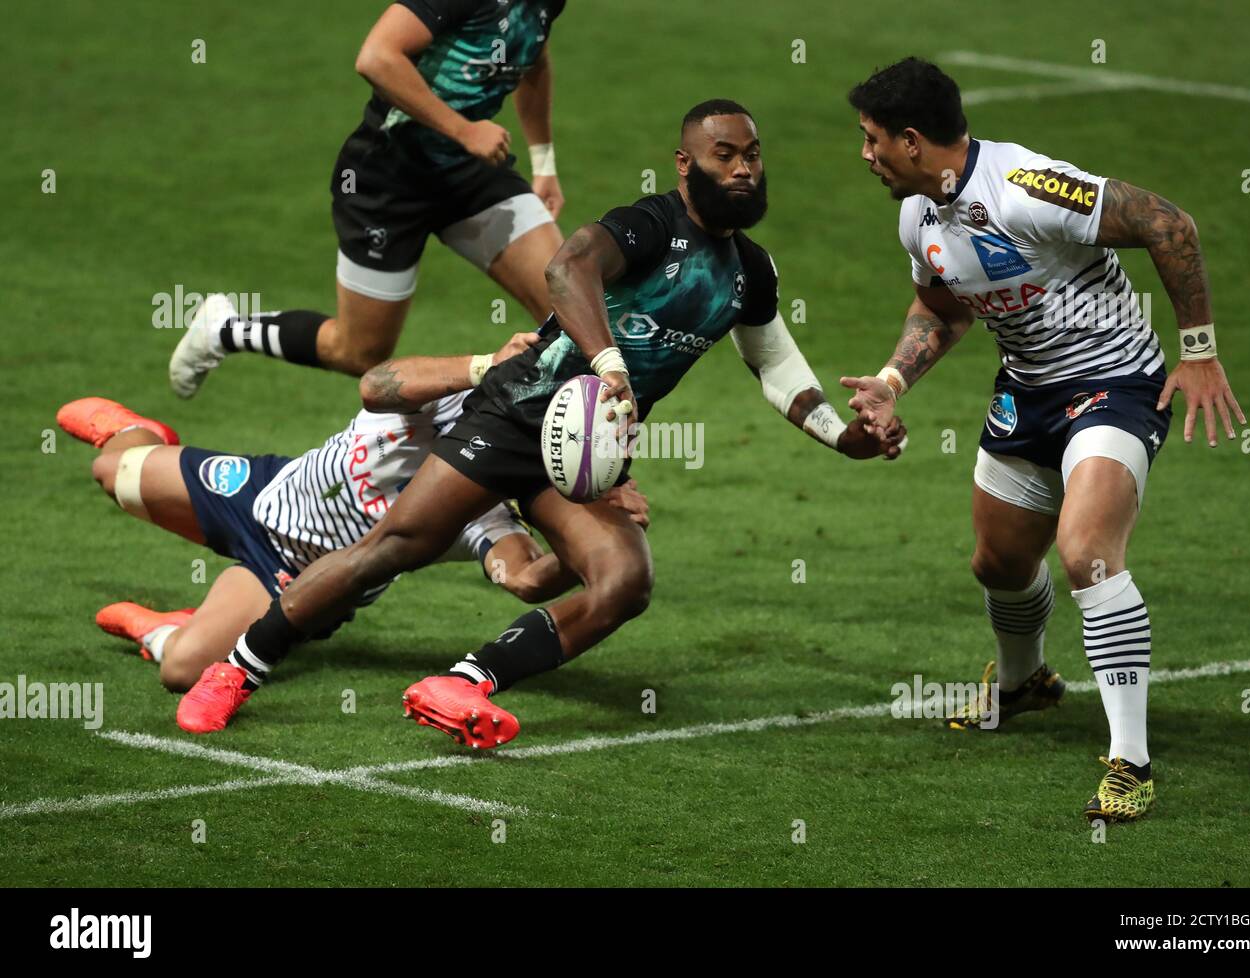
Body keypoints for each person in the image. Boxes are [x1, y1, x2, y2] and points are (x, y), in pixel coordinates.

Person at [175, 99, 907, 746]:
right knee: (390, 547)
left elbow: (778, 369)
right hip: (519, 412)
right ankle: (239, 670)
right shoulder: (651, 224)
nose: (744, 169)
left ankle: (466, 681)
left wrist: (845, 436)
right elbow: (566, 271)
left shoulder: (751, 270)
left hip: (585, 451)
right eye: (726, 155)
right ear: (686, 164)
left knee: (624, 581)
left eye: (752, 155)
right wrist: (612, 366)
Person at [838, 58, 1246, 822]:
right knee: (997, 560)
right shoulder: (917, 214)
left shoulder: (1028, 187)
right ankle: (1026, 684)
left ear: (914, 141)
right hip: (1027, 393)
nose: (865, 155)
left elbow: (1167, 222)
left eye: (872, 140)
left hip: (1115, 386)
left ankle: (1131, 761)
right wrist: (892, 382)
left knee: (1087, 551)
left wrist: (1198, 350)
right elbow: (944, 307)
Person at [57, 332, 648, 720]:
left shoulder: (481, 501)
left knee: (180, 669)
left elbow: (523, 578)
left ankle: (163, 626)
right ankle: (140, 432)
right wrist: (484, 365)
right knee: (110, 470)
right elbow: (379, 382)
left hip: (291, 580)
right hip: (265, 493)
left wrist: (575, 556)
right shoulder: (442, 397)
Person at [168, 0, 568, 393]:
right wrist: (465, 131)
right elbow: (376, 57)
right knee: (358, 352)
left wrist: (544, 162)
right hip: (388, 178)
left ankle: (547, 442)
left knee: (569, 308)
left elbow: (533, 56)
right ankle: (224, 330)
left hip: (470, 171)